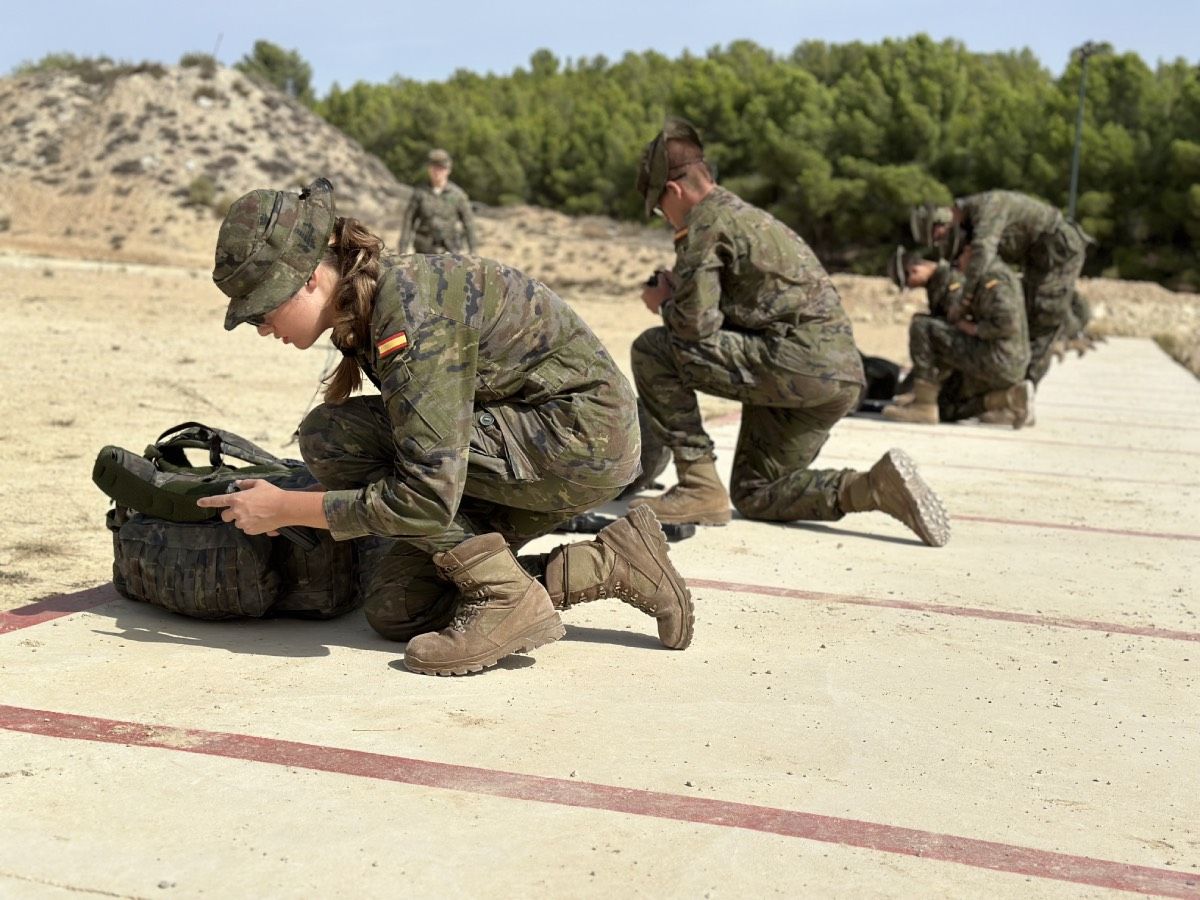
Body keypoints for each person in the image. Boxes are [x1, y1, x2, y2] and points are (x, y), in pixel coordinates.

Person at [200, 178, 693, 676]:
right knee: (399, 607)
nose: (263, 328)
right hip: (533, 445)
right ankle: (611, 565)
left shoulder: (407, 315)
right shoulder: (366, 307)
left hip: (578, 445)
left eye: (263, 310)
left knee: (330, 436)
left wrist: (287, 508)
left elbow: (426, 496)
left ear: (308, 279)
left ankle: (504, 595)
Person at [628, 119, 950, 548]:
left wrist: (664, 302)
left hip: (792, 364)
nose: (664, 219)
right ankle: (871, 487)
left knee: (653, 350)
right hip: (837, 377)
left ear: (675, 192)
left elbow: (694, 329)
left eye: (659, 208)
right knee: (756, 492)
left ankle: (698, 484)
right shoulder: (749, 218)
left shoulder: (705, 225)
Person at [911, 190, 1091, 386]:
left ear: (945, 219)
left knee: (1044, 316)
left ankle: (1025, 388)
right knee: (1029, 314)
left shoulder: (988, 208)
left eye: (937, 235)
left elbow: (982, 255)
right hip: (1036, 258)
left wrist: (963, 303)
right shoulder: (971, 220)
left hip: (1057, 251)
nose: (940, 242)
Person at [883, 246, 1034, 428]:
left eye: (907, 281)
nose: (910, 286)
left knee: (921, 325)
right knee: (945, 408)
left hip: (992, 359)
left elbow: (948, 337)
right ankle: (1008, 400)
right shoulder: (937, 283)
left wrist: (921, 391)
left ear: (915, 268)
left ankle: (923, 407)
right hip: (991, 359)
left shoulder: (950, 280)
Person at [397, 149, 477, 255]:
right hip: (424, 250)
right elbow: (408, 222)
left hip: (450, 250)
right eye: (434, 167)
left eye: (441, 168)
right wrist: (402, 249)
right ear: (429, 169)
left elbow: (469, 223)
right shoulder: (420, 193)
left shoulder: (458, 195)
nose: (437, 172)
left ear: (448, 170)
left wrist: (473, 251)